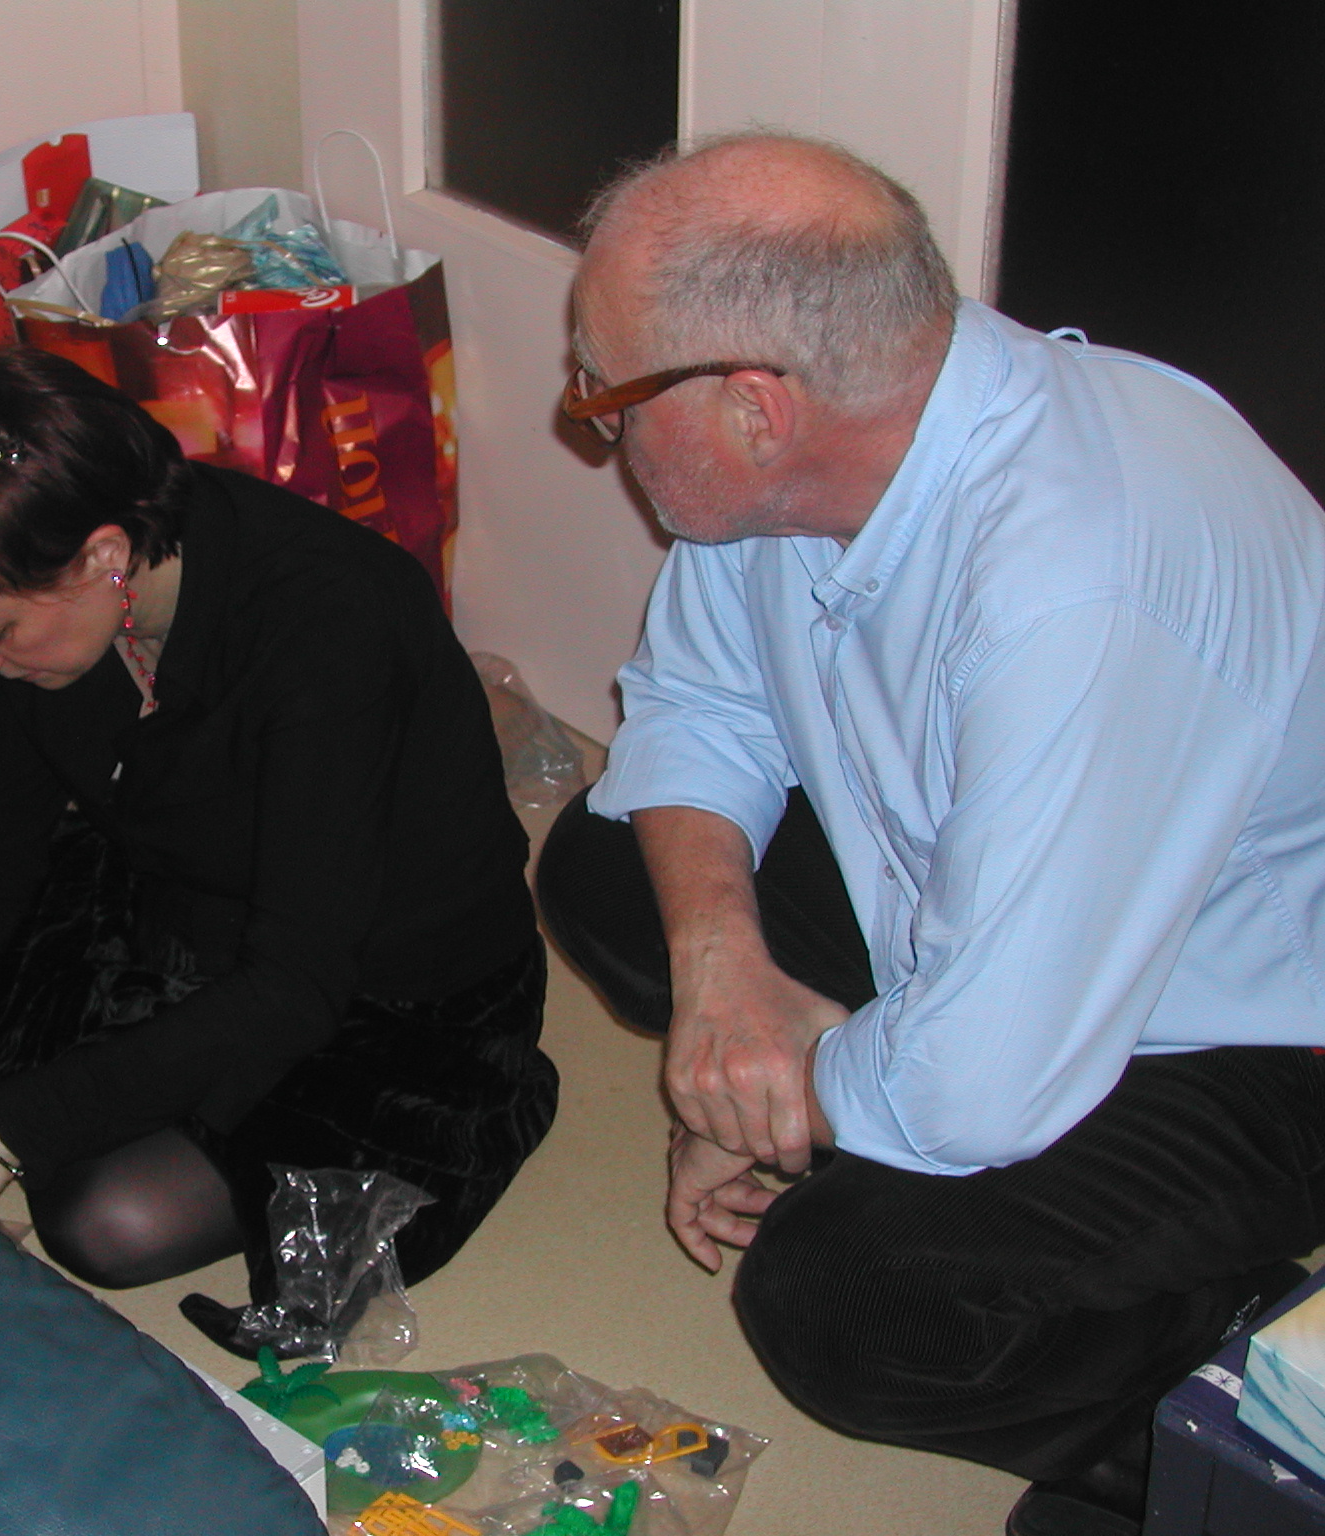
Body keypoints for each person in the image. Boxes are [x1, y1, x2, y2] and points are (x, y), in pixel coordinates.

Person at [535, 132, 1325, 1536]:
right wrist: (722, 982)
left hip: (1243, 1023)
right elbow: (695, 704)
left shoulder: (1080, 586)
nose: (585, 416)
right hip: (975, 894)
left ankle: (1231, 1415)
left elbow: (977, 1092)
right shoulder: (825, 447)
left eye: (604, 391)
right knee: (607, 867)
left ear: (756, 408)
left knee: (844, 1300)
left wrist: (767, 1096)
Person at [0, 345, 556, 1305]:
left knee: (104, 1218)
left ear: (104, 557)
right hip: (176, 905)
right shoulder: (54, 585)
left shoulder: (330, 622)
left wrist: (5, 1127)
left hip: (381, 991)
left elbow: (294, 986)